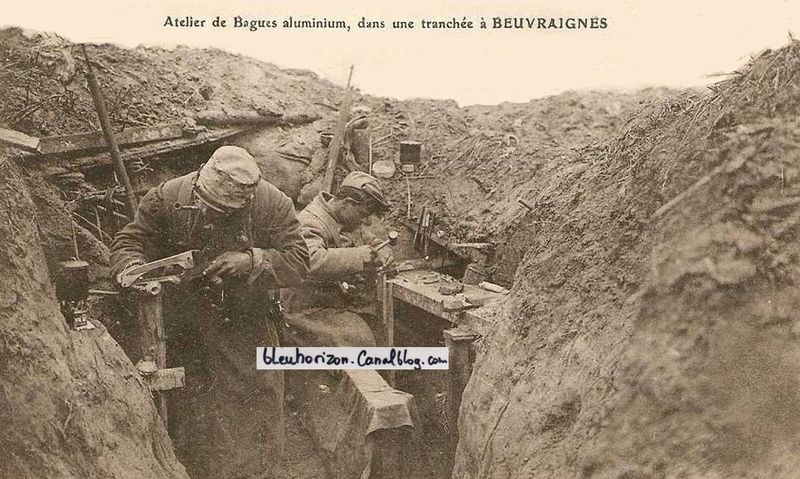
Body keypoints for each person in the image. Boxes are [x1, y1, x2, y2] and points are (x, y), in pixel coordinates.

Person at [110, 145, 310, 478]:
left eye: (223, 211)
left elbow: (298, 263)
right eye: (207, 206)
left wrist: (251, 261)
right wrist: (132, 266)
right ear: (200, 181)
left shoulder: (273, 205)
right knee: (189, 415)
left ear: (247, 199)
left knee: (252, 415)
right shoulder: (166, 197)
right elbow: (130, 241)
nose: (212, 214)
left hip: (246, 323)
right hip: (182, 327)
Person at [282, 171, 418, 478]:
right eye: (363, 212)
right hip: (306, 309)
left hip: (333, 304)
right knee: (358, 340)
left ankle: (379, 411)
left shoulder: (346, 218)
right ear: (345, 201)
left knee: (374, 334)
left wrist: (381, 253)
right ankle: (353, 423)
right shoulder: (310, 222)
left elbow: (372, 238)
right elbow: (311, 261)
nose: (364, 220)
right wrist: (361, 256)